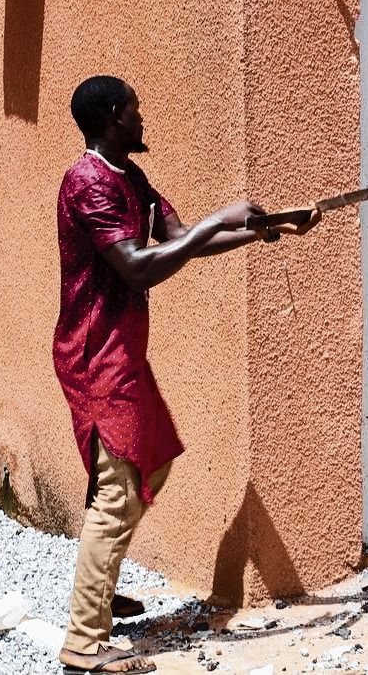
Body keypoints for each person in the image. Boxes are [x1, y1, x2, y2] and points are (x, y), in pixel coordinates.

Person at [54, 75, 318, 675]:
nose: (143, 118)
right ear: (114, 116)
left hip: (124, 352)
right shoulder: (87, 183)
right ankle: (83, 641)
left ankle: (100, 585)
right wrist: (221, 217)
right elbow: (139, 268)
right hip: (96, 354)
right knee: (120, 486)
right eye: (136, 109)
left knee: (153, 459)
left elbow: (178, 240)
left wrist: (269, 226)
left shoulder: (132, 179)